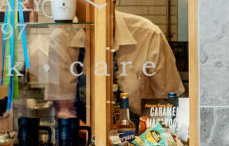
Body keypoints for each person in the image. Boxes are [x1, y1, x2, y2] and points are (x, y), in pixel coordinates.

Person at [46, 9, 184, 120]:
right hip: (84, 139)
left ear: (112, 2)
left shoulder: (148, 34)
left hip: (140, 140)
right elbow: (64, 108)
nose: (94, 29)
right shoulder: (62, 39)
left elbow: (168, 102)